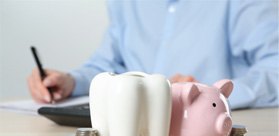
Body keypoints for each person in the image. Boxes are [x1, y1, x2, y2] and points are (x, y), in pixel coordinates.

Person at [27, 0, 278, 109]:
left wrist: (210, 94)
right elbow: (109, 64)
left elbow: (274, 68)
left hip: (212, 133)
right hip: (137, 133)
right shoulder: (125, 3)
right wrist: (71, 82)